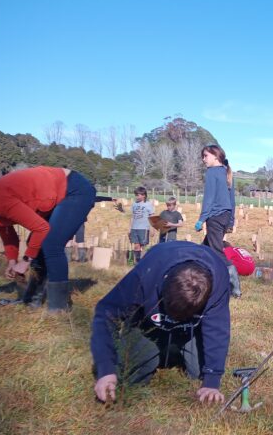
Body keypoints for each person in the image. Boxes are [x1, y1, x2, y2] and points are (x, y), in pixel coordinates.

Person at [91, 241, 231, 404]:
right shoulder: (145, 274)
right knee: (130, 375)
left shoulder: (219, 280)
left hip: (189, 331)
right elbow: (106, 313)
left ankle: (174, 350)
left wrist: (212, 381)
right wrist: (106, 369)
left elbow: (218, 330)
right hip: (149, 327)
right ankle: (158, 350)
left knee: (199, 372)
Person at [0, 166, 96, 311]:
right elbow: (6, 230)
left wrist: (25, 261)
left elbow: (41, 228)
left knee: (51, 244)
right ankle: (31, 300)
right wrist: (12, 261)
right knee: (35, 243)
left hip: (74, 189)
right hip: (55, 192)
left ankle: (59, 308)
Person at [197, 144, 241, 298]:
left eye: (206, 156)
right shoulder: (227, 172)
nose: (203, 159)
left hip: (215, 217)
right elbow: (232, 200)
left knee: (216, 251)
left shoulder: (212, 172)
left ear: (215, 156)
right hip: (225, 216)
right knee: (204, 249)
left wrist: (201, 219)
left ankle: (234, 287)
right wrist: (231, 220)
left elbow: (208, 199)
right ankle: (202, 282)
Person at [129, 187, 154, 263]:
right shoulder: (134, 204)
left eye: (138, 195)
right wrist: (129, 228)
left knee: (143, 246)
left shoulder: (148, 204)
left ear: (144, 195)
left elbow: (152, 217)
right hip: (134, 228)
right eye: (136, 195)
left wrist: (152, 228)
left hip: (144, 228)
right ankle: (137, 262)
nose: (136, 196)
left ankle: (143, 262)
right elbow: (132, 217)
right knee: (136, 246)